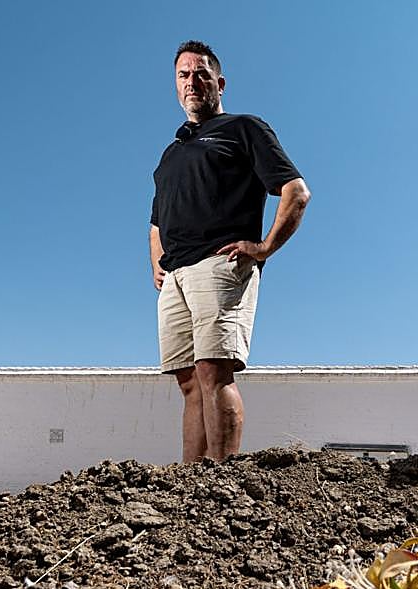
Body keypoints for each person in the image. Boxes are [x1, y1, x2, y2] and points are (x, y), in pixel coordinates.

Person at [150, 40, 310, 463]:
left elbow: (296, 192)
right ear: (175, 86)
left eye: (201, 74)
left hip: (221, 264)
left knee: (212, 370)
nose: (192, 82)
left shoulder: (244, 128)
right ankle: (191, 484)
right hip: (175, 276)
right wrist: (157, 266)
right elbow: (155, 222)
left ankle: (223, 481)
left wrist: (263, 248)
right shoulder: (171, 154)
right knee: (187, 380)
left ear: (219, 83)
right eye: (183, 75)